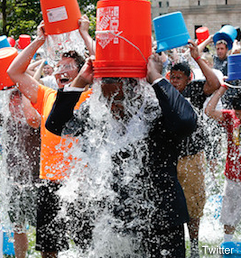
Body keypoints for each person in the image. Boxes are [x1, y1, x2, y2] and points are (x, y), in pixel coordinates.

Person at [44, 53, 197, 256]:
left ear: (136, 91)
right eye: (107, 100)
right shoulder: (98, 117)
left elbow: (186, 121)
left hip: (162, 221)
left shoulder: (156, 113)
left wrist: (155, 76)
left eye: (119, 99)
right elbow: (56, 125)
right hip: (116, 221)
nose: (113, 106)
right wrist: (80, 80)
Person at [7, 21, 92, 257]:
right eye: (58, 66)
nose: (61, 71)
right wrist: (39, 41)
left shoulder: (92, 95)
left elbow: (102, 66)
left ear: (81, 72)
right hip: (50, 180)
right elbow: (14, 72)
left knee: (89, 247)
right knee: (48, 250)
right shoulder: (47, 94)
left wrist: (84, 34)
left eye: (68, 66)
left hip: (81, 184)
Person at [0, 74, 41, 258]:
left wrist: (23, 86)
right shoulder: (6, 119)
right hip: (14, 183)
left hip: (35, 183)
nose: (13, 106)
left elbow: (32, 116)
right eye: (11, 102)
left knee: (41, 227)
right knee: (18, 227)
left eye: (17, 102)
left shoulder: (34, 121)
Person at [168, 40, 221, 258]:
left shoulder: (196, 90)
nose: (174, 82)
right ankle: (177, 245)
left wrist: (197, 57)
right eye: (172, 77)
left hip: (192, 158)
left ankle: (196, 247)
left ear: (188, 79)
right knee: (172, 205)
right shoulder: (164, 92)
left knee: (194, 205)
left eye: (178, 78)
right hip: (170, 159)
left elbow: (215, 83)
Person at [204, 83, 241, 244]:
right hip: (233, 176)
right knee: (229, 214)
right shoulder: (230, 117)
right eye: (238, 114)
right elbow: (209, 111)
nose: (239, 117)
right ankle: (227, 243)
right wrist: (222, 88)